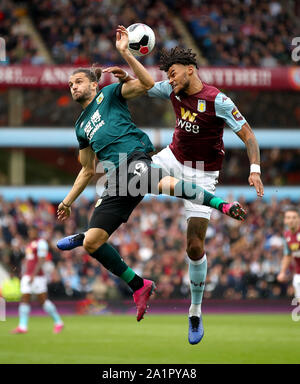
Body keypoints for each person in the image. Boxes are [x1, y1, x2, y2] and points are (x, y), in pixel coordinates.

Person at [56, 27, 246, 325]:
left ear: (94, 84)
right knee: (93, 242)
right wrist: (67, 201)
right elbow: (86, 169)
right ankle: (139, 285)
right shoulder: (80, 127)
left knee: (157, 183)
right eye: (69, 84)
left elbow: (145, 84)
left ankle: (220, 204)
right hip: (117, 175)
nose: (73, 87)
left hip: (134, 157)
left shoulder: (110, 93)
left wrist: (125, 54)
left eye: (78, 81)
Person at [103, 46, 264, 344]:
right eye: (168, 75)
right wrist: (127, 71)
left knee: (193, 246)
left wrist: (254, 168)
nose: (170, 79)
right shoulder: (171, 89)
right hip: (172, 159)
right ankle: (93, 236)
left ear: (190, 69)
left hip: (203, 172)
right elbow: (146, 86)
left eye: (173, 73)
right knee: (125, 179)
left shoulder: (219, 101)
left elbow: (249, 136)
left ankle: (194, 311)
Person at [11, 226, 64, 334]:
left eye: (33, 231)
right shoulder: (30, 244)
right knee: (24, 298)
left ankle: (58, 322)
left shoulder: (41, 243)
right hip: (27, 275)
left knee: (43, 301)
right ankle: (22, 326)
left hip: (38, 276)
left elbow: (41, 260)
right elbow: (28, 259)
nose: (31, 233)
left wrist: (33, 275)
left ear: (36, 232)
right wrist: (24, 272)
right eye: (29, 231)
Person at [277, 209, 300, 303]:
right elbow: (288, 255)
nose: (291, 220)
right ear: (285, 220)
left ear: (299, 219)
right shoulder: (286, 235)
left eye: (294, 217)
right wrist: (282, 272)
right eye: (288, 218)